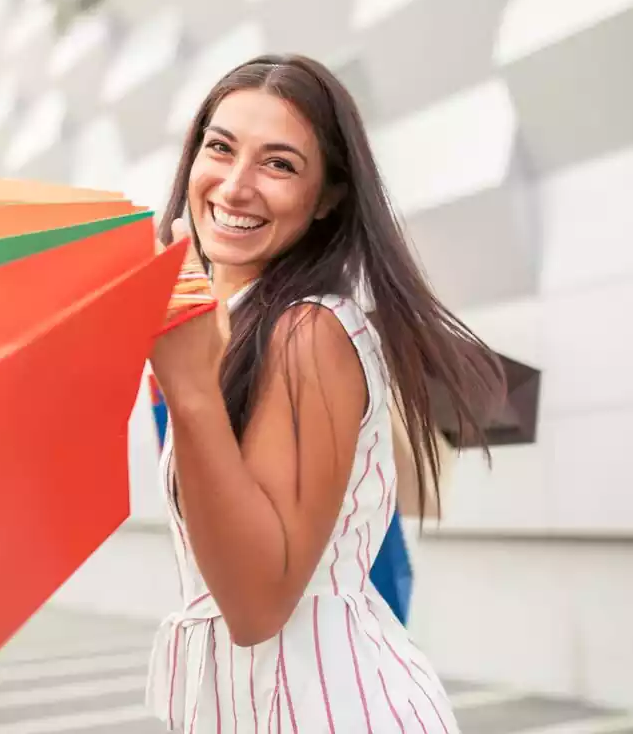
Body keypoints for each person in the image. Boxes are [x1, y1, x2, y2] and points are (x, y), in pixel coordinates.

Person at [145, 54, 504, 733]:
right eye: (219, 148)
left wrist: (189, 391)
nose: (236, 185)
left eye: (278, 164)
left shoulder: (307, 332)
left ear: (329, 196)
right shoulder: (228, 327)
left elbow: (256, 606)